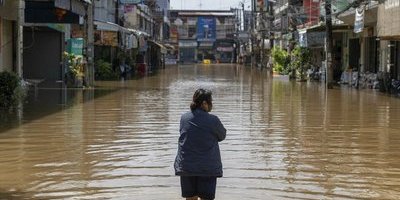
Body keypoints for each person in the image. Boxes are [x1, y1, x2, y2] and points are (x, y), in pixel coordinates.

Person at [174, 89, 227, 200]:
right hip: (207, 169)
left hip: (186, 167)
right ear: (204, 103)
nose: (211, 105)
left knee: (190, 198)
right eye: (210, 102)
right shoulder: (213, 120)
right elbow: (222, 136)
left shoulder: (184, 118)